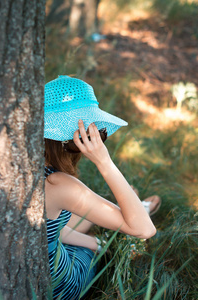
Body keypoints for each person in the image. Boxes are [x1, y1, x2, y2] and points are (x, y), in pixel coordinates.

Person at [44, 75, 158, 300]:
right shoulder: (58, 184)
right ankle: (132, 211)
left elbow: (45, 231)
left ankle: (118, 216)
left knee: (66, 216)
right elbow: (146, 230)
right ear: (72, 142)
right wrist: (104, 162)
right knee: (124, 226)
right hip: (57, 286)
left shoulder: (14, 167)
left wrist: (100, 243)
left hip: (34, 254)